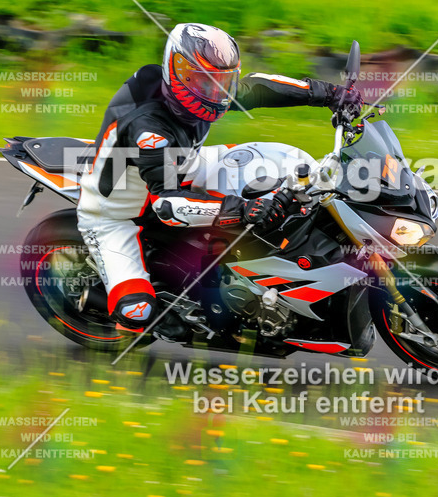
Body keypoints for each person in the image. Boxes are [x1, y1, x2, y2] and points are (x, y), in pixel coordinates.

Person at [77, 23, 362, 335]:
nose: (216, 92)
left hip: (184, 163)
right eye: (205, 82)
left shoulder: (200, 86)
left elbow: (258, 87)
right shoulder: (150, 131)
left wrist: (329, 94)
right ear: (178, 71)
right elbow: (168, 206)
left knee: (283, 164)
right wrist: (239, 209)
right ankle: (105, 300)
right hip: (118, 213)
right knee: (138, 313)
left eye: (223, 81)